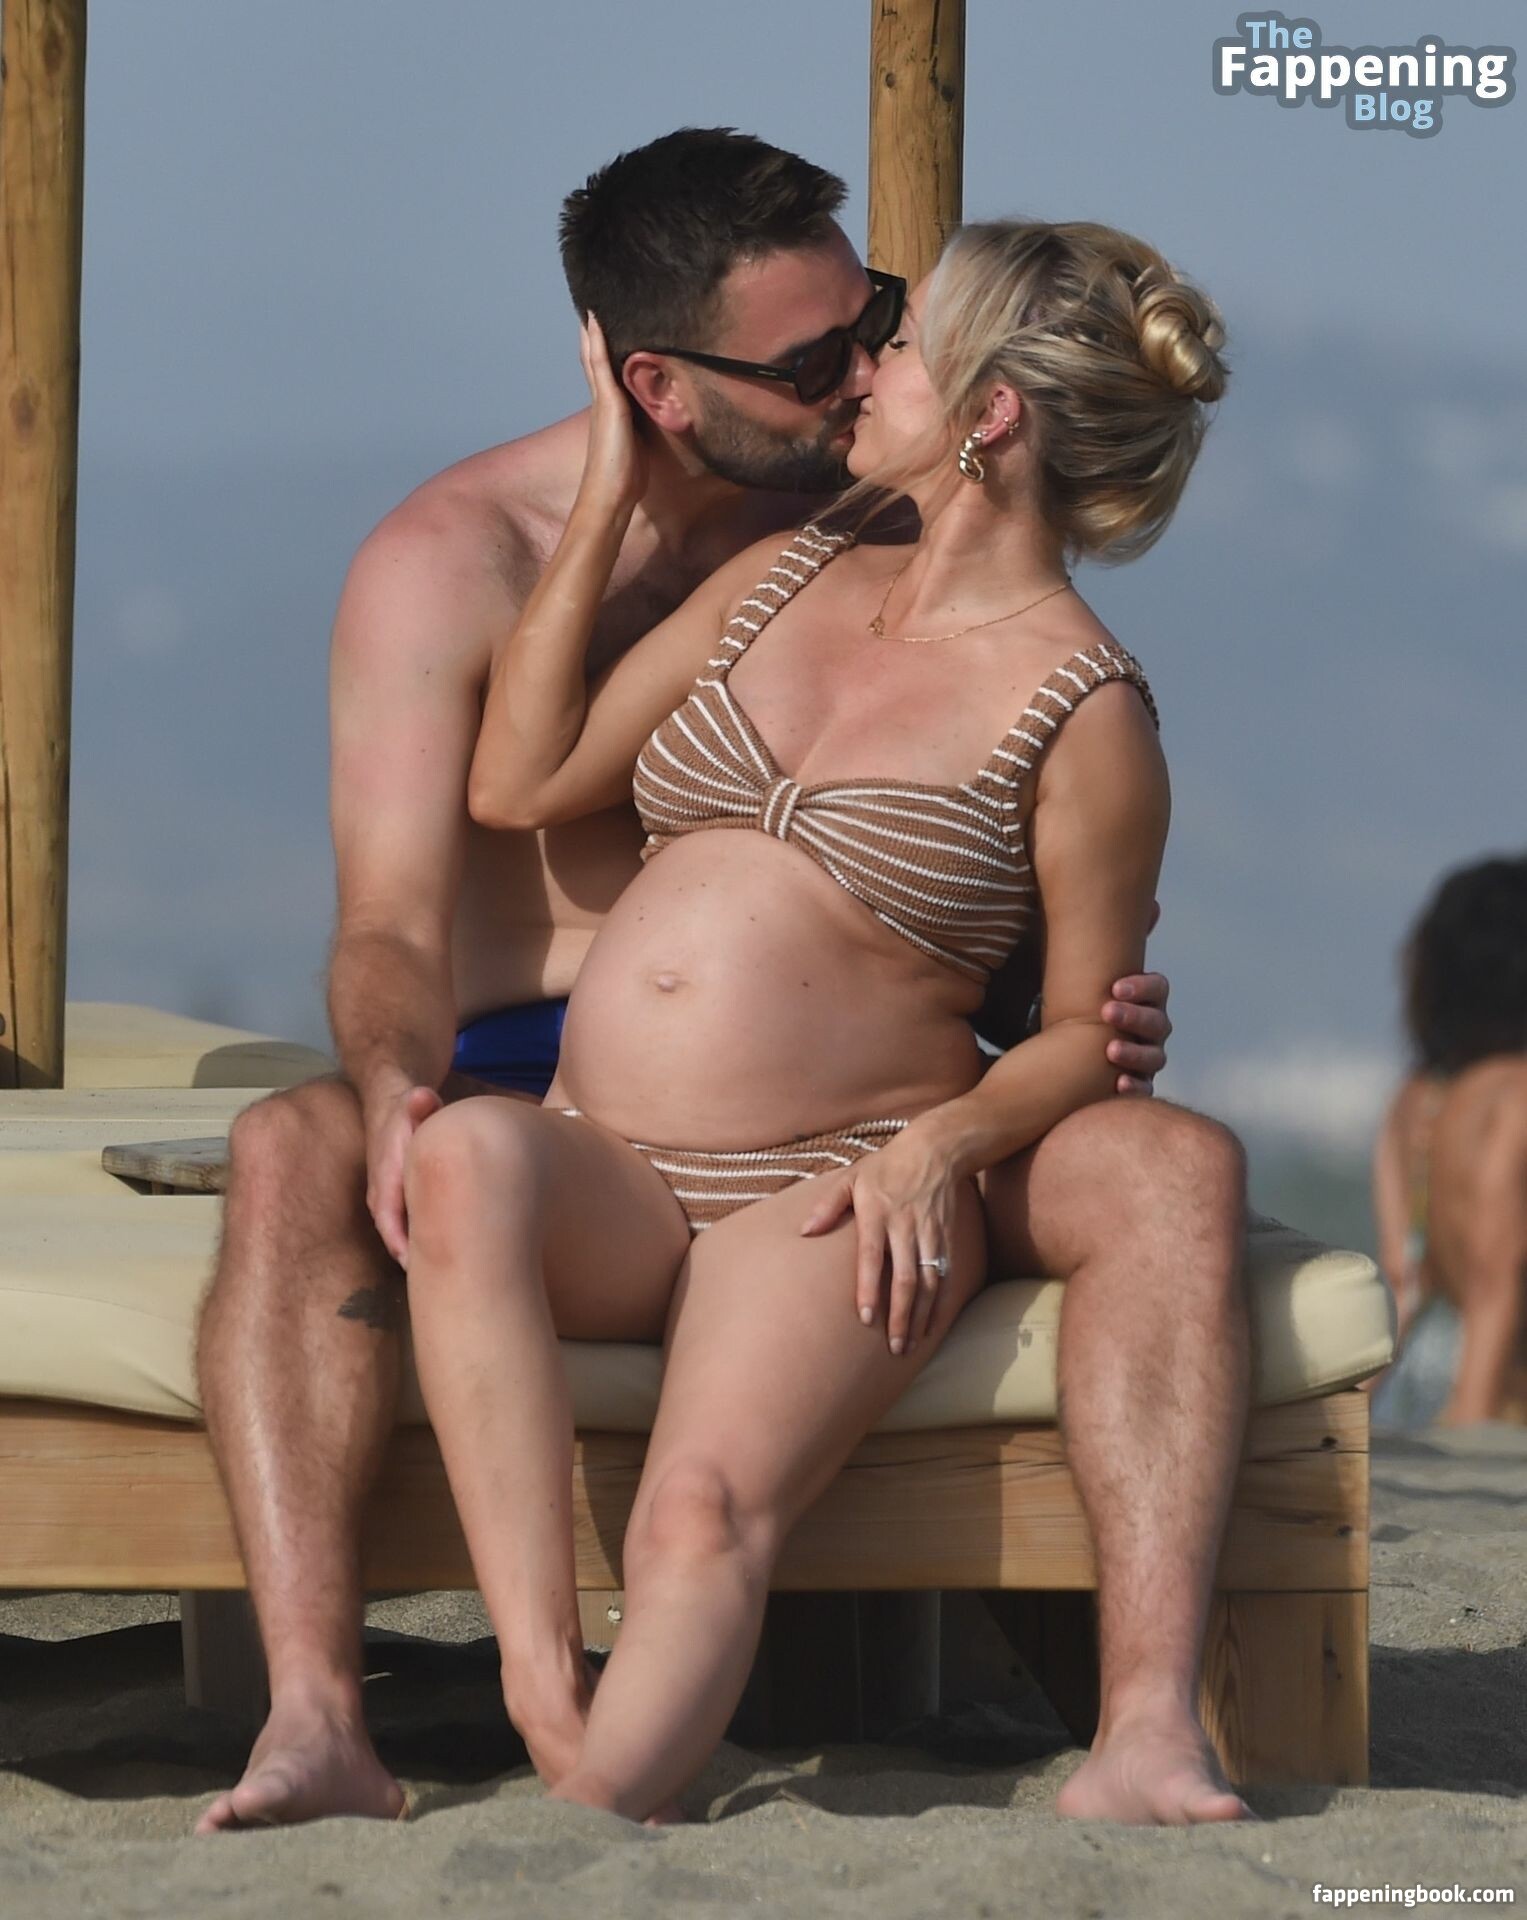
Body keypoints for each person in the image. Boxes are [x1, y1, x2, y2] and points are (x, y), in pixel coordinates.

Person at [193, 131, 1235, 1836]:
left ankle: (625, 1803)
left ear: (981, 414)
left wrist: (971, 1116)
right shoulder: (654, 566)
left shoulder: (1030, 663)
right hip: (576, 1124)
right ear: (658, 386)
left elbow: (1057, 985)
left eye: (884, 335)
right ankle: (444, 1695)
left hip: (834, 1158)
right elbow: (474, 828)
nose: (858, 376)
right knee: (408, 1151)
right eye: (823, 358)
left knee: (715, 1501)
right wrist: (400, 1087)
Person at [1371, 853, 1527, 1427]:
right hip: (1500, 1420)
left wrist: (1332, 1426)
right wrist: (1472, 1426)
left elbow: (1404, 1283)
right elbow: (1497, 1279)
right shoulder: (1517, 1096)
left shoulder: (1416, 1102)